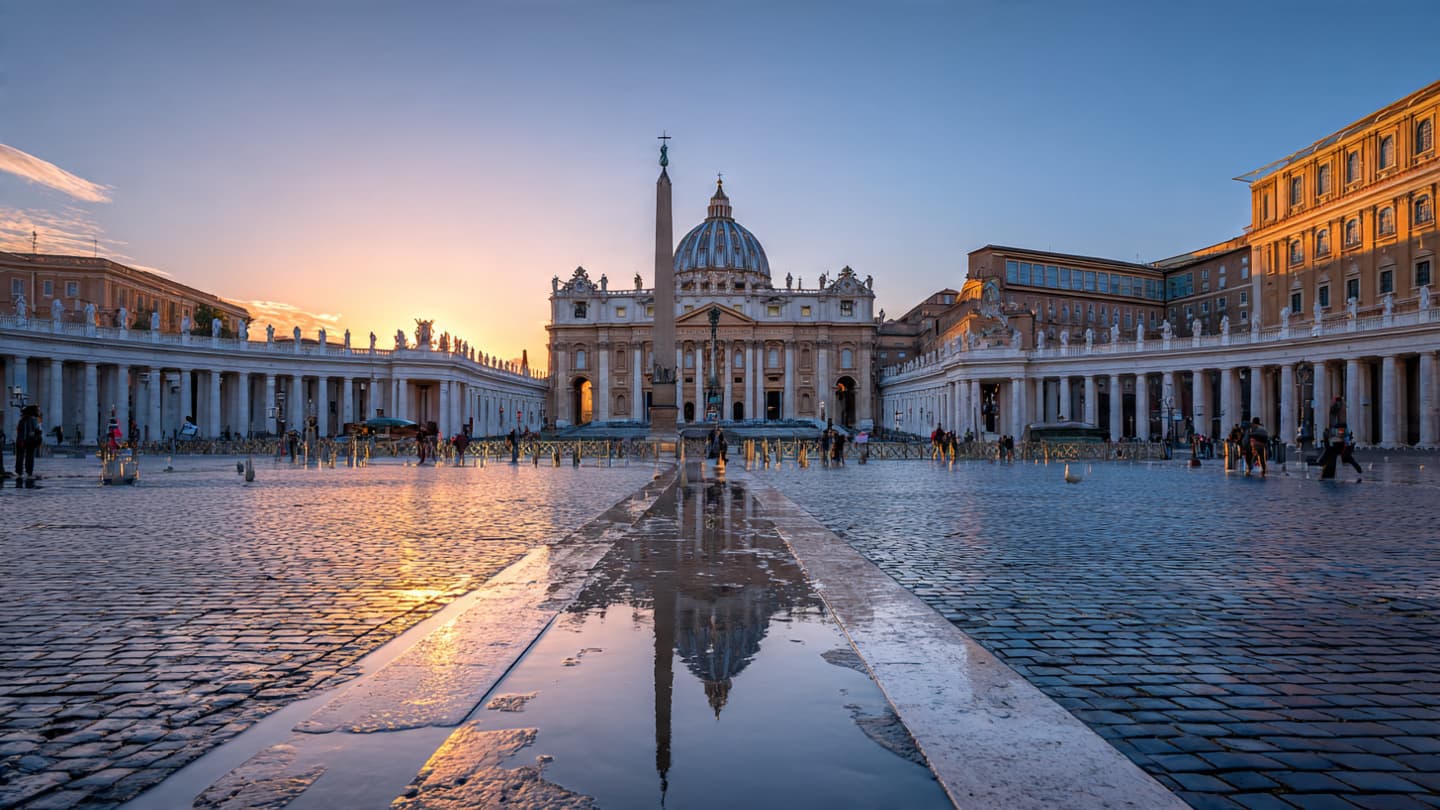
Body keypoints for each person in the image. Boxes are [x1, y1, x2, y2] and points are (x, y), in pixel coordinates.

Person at [15, 404, 42, 481]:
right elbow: (35, 431)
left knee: (20, 456)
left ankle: (19, 472)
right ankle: (28, 472)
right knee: (29, 457)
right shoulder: (33, 420)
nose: (39, 411)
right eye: (38, 410)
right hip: (29, 441)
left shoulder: (23, 419)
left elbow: (20, 431)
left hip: (22, 440)